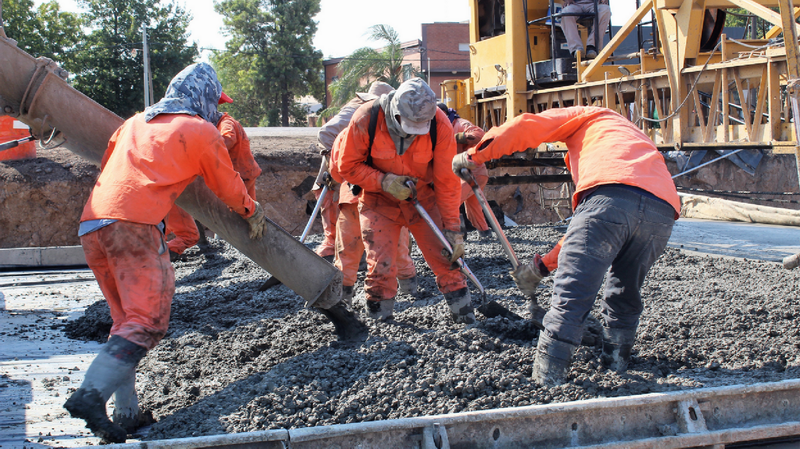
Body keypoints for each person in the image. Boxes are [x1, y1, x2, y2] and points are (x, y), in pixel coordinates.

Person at [64, 62, 267, 443]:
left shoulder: (135, 122)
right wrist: (251, 211)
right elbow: (226, 182)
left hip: (93, 224)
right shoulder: (199, 129)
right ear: (205, 97)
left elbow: (111, 168)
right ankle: (90, 396)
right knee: (147, 320)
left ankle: (126, 414)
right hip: (134, 227)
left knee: (125, 320)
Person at [452, 106, 679, 385]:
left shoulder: (588, 117)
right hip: (662, 212)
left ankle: (548, 380)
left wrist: (474, 156)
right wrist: (539, 268)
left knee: (571, 297)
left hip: (610, 195)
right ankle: (616, 366)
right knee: (624, 292)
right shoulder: (629, 137)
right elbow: (586, 231)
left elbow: (527, 126)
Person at [337, 77, 473, 323]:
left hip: (423, 199)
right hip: (380, 200)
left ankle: (465, 319)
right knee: (380, 265)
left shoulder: (439, 125)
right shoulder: (366, 118)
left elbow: (446, 181)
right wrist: (384, 182)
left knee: (448, 259)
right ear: (395, 112)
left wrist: (453, 229)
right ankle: (381, 323)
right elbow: (347, 166)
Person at [323, 82, 419, 304]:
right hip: (388, 204)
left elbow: (338, 172)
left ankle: (342, 299)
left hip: (352, 198)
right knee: (397, 249)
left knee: (347, 253)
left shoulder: (346, 134)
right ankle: (410, 291)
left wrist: (333, 174)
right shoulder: (400, 137)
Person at [164, 96, 262, 260]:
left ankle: (250, 248)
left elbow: (228, 139)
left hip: (242, 174)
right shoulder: (215, 124)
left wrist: (206, 146)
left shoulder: (226, 122)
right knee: (240, 213)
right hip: (236, 173)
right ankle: (235, 244)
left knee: (244, 213)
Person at [437, 103, 492, 239]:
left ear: (444, 113)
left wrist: (455, 138)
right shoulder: (443, 127)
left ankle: (457, 234)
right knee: (473, 207)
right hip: (469, 173)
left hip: (474, 172)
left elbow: (479, 134)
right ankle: (485, 233)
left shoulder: (460, 124)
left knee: (452, 201)